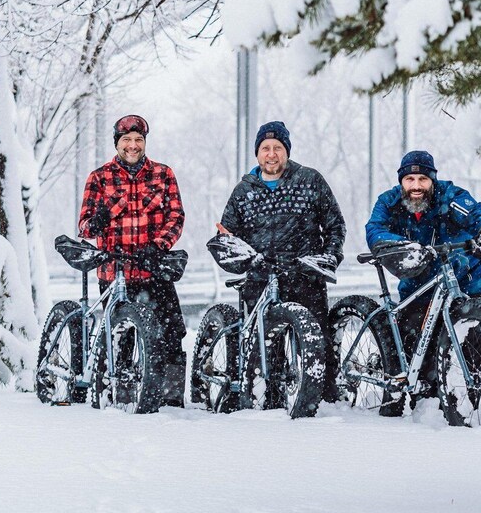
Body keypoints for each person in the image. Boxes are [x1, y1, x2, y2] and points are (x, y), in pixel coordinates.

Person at [213, 121, 347, 405]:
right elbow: (227, 233)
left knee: (316, 345)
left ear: (286, 151)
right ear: (257, 154)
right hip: (260, 278)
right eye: (265, 148)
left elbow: (334, 225)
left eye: (277, 148)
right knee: (262, 350)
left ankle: (323, 402)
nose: (271, 154)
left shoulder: (310, 181)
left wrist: (329, 256)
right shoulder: (243, 191)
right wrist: (233, 250)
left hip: (304, 277)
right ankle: (265, 400)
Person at [365, 150, 481, 398]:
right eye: (410, 180)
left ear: (433, 180)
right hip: (417, 286)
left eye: (423, 179)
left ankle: (464, 409)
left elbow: (474, 212)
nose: (416, 186)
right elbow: (375, 229)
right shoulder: (389, 202)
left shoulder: (450, 197)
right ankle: (425, 409)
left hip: (467, 283)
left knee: (471, 356)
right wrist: (401, 246)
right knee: (417, 362)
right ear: (401, 181)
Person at [78, 114, 187, 408]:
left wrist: (158, 245)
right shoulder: (99, 177)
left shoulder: (163, 174)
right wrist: (98, 220)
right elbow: (84, 227)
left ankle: (172, 395)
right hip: (115, 271)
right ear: (117, 143)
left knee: (171, 330)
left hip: (153, 269)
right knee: (120, 337)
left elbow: (176, 217)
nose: (133, 145)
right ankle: (123, 393)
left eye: (138, 140)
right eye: (126, 140)